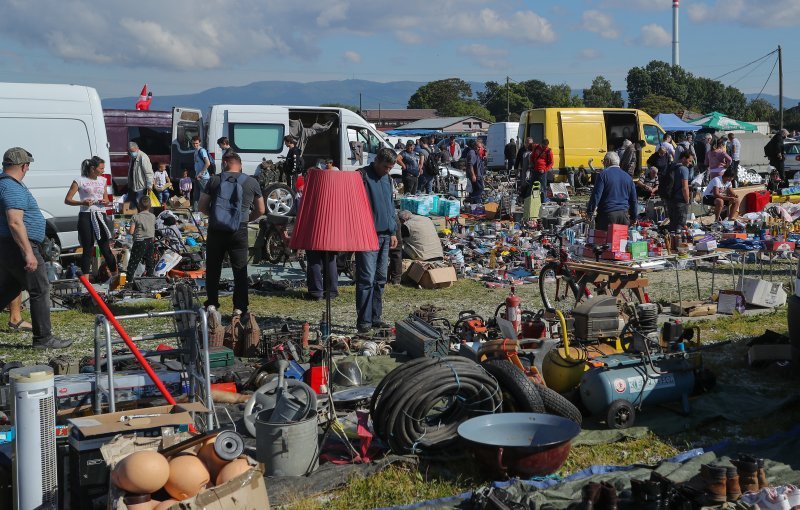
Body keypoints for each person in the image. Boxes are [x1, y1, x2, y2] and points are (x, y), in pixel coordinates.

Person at [0, 147, 71, 348]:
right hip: (19, 245)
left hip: (7, 245)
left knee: (7, 288)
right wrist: (28, 252)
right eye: (28, 166)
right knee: (40, 289)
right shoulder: (11, 187)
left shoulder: (4, 184)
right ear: (24, 166)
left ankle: (43, 337)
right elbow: (15, 222)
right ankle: (43, 339)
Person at [199, 152, 265, 316]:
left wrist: (216, 217)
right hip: (239, 230)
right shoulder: (251, 182)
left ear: (226, 163)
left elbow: (202, 206)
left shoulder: (214, 180)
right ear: (239, 164)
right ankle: (239, 307)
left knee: (214, 268)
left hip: (216, 230)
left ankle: (212, 304)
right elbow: (261, 209)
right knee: (240, 269)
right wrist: (248, 218)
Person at [356, 148, 398, 333]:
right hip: (368, 235)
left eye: (390, 167)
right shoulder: (362, 176)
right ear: (377, 161)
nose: (388, 170)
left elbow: (390, 206)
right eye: (386, 167)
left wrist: (393, 231)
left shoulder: (388, 179)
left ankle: (375, 317)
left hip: (385, 235)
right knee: (366, 279)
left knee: (380, 279)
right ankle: (364, 321)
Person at [64, 156, 118, 278]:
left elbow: (106, 198)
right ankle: (86, 281)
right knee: (87, 247)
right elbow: (67, 200)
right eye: (101, 168)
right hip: (86, 214)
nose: (103, 170)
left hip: (100, 214)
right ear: (93, 168)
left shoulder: (102, 180)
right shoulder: (79, 180)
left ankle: (115, 277)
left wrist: (105, 201)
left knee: (105, 247)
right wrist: (82, 202)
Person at [586, 152, 638, 230]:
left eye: (603, 161)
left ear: (608, 161)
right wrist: (634, 217)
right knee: (621, 241)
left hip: (607, 215)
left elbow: (596, 195)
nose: (603, 164)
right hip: (623, 215)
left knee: (605, 241)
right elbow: (634, 200)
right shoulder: (628, 177)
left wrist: (590, 212)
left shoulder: (603, 175)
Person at [125, 195, 156, 281]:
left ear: (139, 206)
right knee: (149, 261)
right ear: (150, 206)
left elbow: (131, 232)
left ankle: (129, 280)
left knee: (133, 262)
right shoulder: (153, 216)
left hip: (140, 241)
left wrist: (127, 230)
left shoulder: (136, 217)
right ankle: (150, 278)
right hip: (150, 241)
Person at [667, 152, 694, 232]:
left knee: (672, 225)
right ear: (683, 158)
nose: (690, 163)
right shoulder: (684, 169)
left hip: (670, 198)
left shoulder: (673, 166)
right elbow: (685, 188)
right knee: (680, 226)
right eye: (689, 161)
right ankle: (679, 243)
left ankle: (671, 242)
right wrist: (687, 200)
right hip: (680, 200)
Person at [192, 136, 212, 210]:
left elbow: (207, 163)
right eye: (193, 143)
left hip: (203, 177)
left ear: (199, 142)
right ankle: (195, 212)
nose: (195, 145)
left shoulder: (202, 151)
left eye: (196, 143)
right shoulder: (195, 151)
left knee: (206, 195)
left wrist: (201, 173)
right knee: (196, 195)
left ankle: (210, 210)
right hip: (197, 176)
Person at [464, 140, 484, 204]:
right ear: (475, 146)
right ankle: (472, 201)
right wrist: (473, 175)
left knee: (476, 190)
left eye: (480, 147)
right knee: (479, 189)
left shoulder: (477, 153)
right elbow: (470, 165)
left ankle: (473, 203)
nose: (479, 149)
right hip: (475, 176)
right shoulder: (472, 153)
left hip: (478, 175)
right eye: (478, 147)